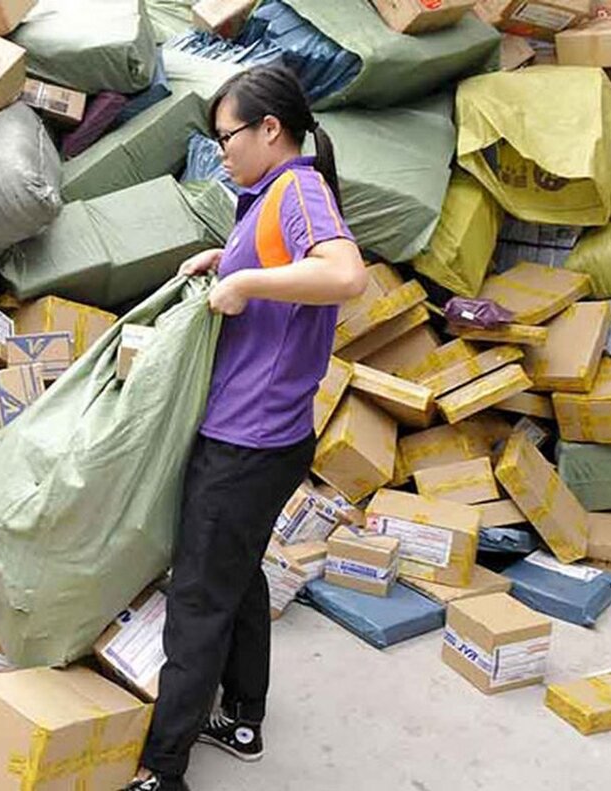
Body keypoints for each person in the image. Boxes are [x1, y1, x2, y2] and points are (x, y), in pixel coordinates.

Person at [123, 64, 367, 791]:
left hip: (247, 439)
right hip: (267, 435)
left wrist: (245, 281)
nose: (219, 151)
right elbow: (276, 261)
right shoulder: (266, 193)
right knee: (237, 573)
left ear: (269, 129)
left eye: (226, 137)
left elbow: (345, 274)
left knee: (198, 595)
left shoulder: (299, 190)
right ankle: (243, 717)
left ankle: (164, 770)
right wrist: (223, 259)